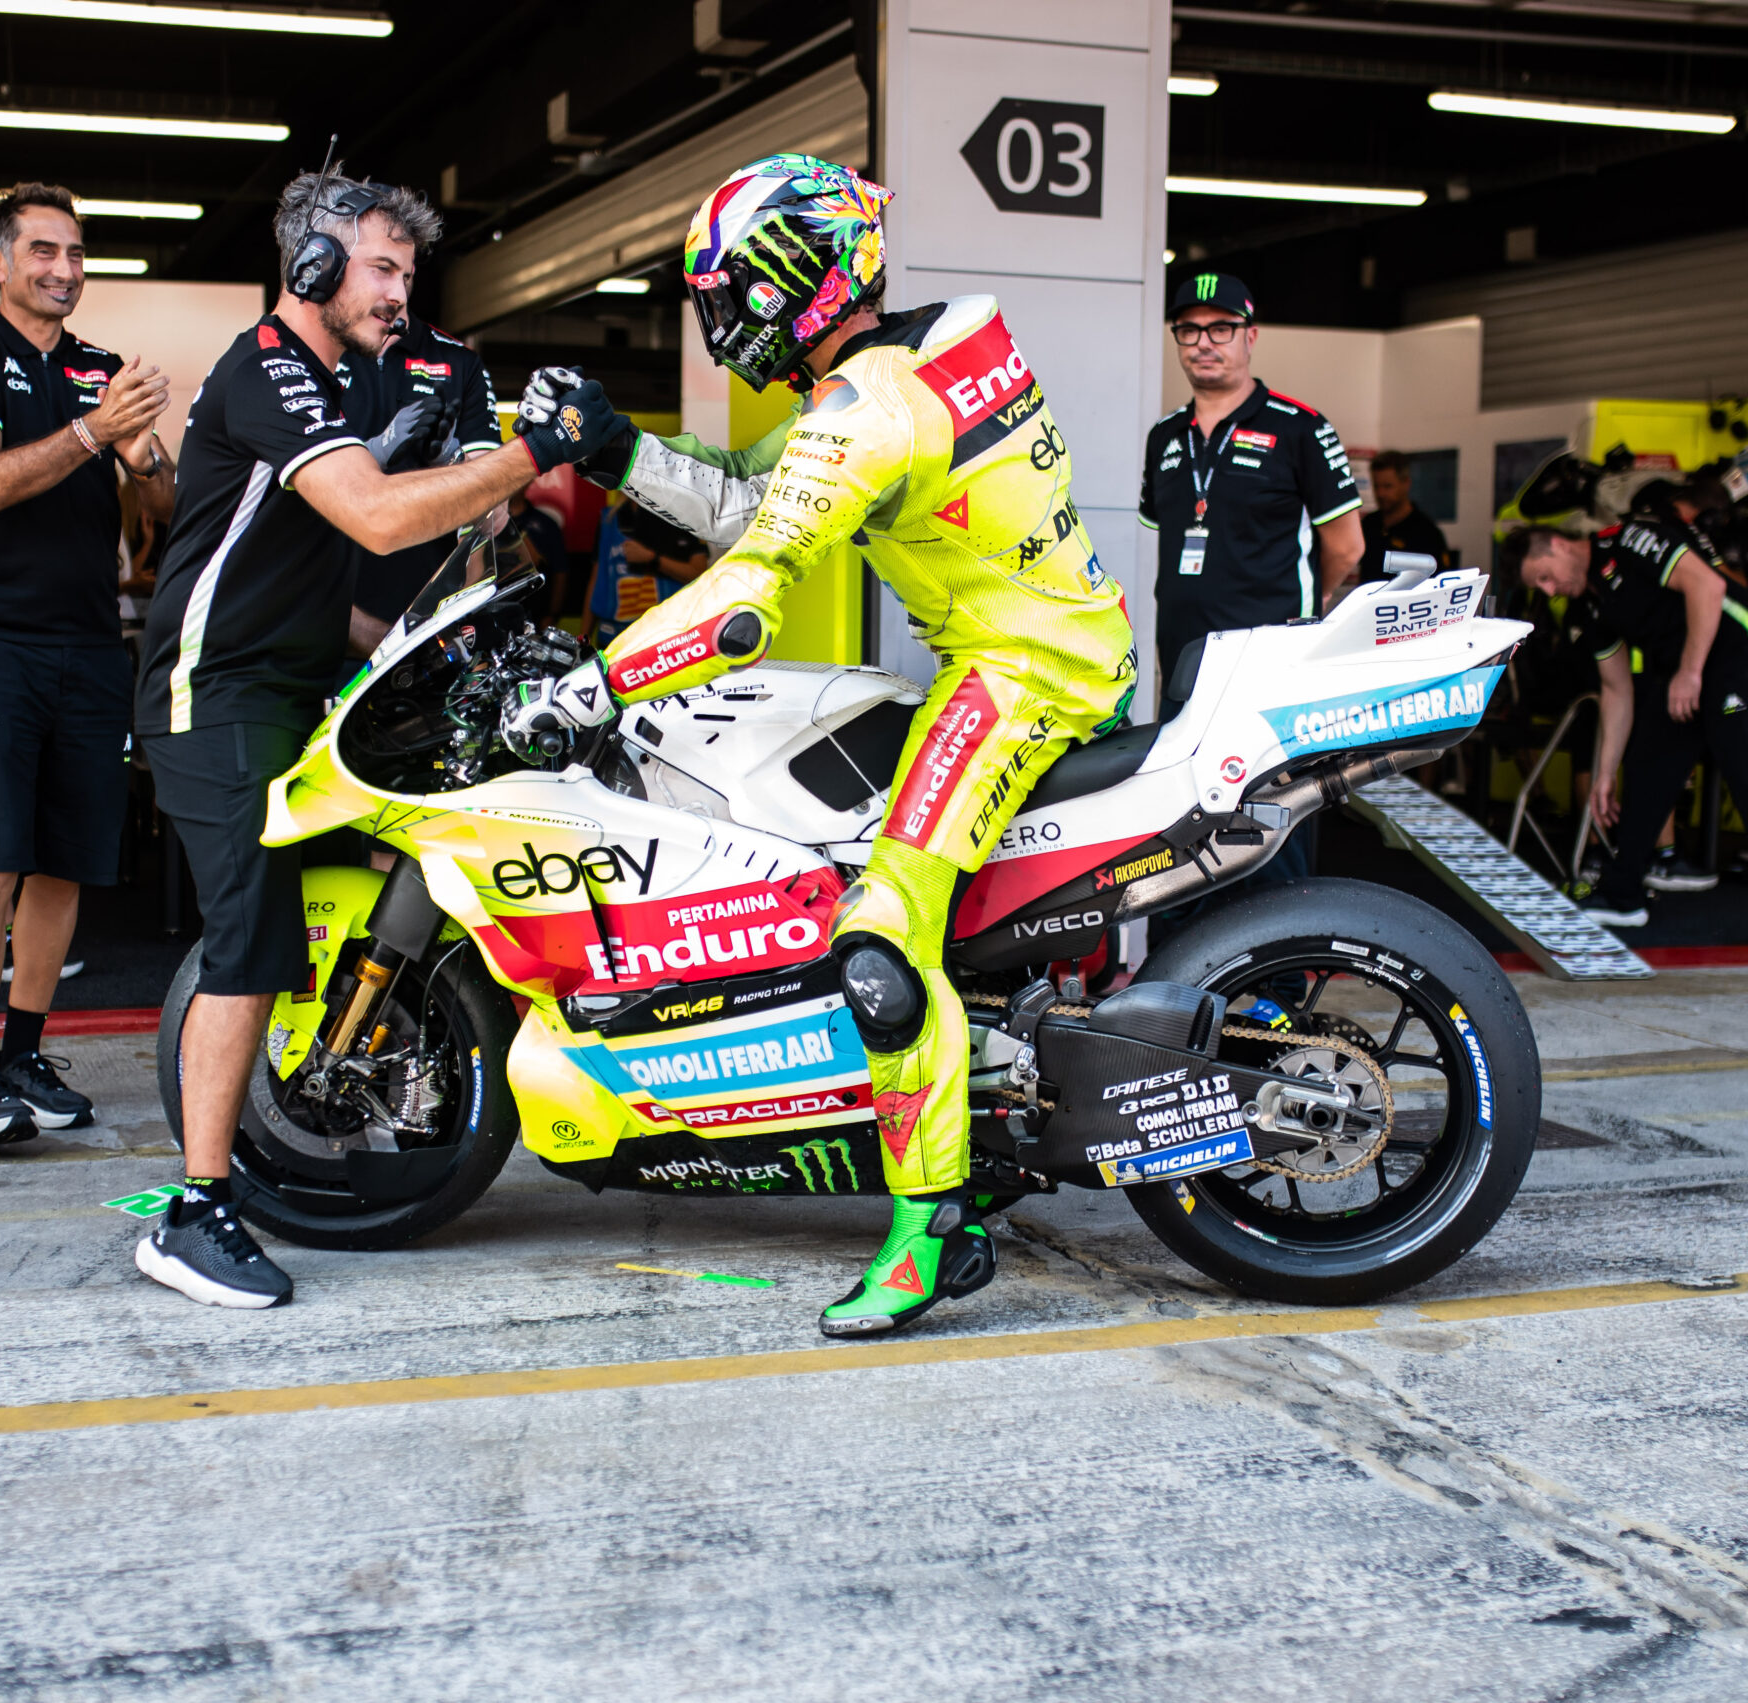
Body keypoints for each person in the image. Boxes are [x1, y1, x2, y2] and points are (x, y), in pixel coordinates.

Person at [501, 153, 1136, 1338]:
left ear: (796, 275)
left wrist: (591, 689)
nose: (720, 317)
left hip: (1018, 673)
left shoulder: (869, 407)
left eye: (731, 290)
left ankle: (927, 1233)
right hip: (1054, 646)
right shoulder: (908, 363)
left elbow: (746, 589)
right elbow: (758, 496)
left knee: (877, 943)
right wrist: (616, 449)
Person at [131, 167, 614, 1310]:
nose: (403, 291)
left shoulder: (347, 381)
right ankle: (194, 1211)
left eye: (410, 272)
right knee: (251, 935)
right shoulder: (270, 370)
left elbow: (443, 523)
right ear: (311, 266)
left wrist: (499, 466)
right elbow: (380, 515)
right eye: (383, 268)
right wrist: (530, 448)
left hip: (305, 673)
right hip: (217, 690)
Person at [0, 183, 176, 1149]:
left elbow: (163, 502)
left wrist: (147, 456)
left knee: (68, 861)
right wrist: (94, 434)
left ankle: (25, 1051)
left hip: (89, 641)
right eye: (42, 251)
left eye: (75, 253)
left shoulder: (101, 369)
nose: (63, 269)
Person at [1517, 523, 1748, 945]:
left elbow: (1707, 586)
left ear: (1560, 546)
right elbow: (1617, 690)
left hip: (1738, 645)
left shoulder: (1629, 540)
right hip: (1682, 671)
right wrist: (1605, 774)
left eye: (1545, 576)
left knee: (1745, 767)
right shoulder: (1589, 607)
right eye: (1538, 586)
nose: (1548, 591)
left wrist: (1691, 674)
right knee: (1647, 764)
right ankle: (1623, 896)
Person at [1141, 273, 1363, 717]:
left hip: (1268, 664)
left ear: (1251, 336)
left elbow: (1348, 546)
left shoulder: (1300, 428)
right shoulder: (1164, 435)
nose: (1204, 343)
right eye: (1189, 330)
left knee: (1271, 788)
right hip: (1182, 664)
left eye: (1221, 328)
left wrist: (1310, 601)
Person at [344, 316, 505, 653]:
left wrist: (453, 464)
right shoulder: (315, 352)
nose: (392, 288)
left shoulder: (458, 360)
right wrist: (372, 453)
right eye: (380, 268)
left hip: (432, 635)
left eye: (403, 271)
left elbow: (493, 515)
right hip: (326, 623)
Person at [586, 498, 709, 646]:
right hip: (613, 638)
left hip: (664, 640)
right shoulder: (610, 517)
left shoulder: (684, 516)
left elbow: (700, 576)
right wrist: (582, 641)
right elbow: (596, 580)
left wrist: (653, 559)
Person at [1358, 449, 1451, 582]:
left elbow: (1440, 584)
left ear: (1406, 483)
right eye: (1376, 486)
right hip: (1369, 601)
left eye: (1388, 486)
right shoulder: (1368, 524)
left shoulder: (1427, 533)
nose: (1380, 493)